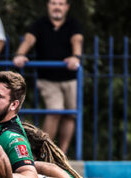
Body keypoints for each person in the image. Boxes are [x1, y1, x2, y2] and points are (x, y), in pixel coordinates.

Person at [13, 0, 82, 154]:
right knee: (55, 110)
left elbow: (77, 40)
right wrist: (20, 54)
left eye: (61, 3)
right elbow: (29, 40)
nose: (57, 6)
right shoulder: (40, 24)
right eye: (54, 3)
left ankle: (61, 154)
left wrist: (76, 56)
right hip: (48, 78)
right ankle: (44, 151)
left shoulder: (73, 24)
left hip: (70, 78)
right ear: (48, 5)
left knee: (71, 115)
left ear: (67, 7)